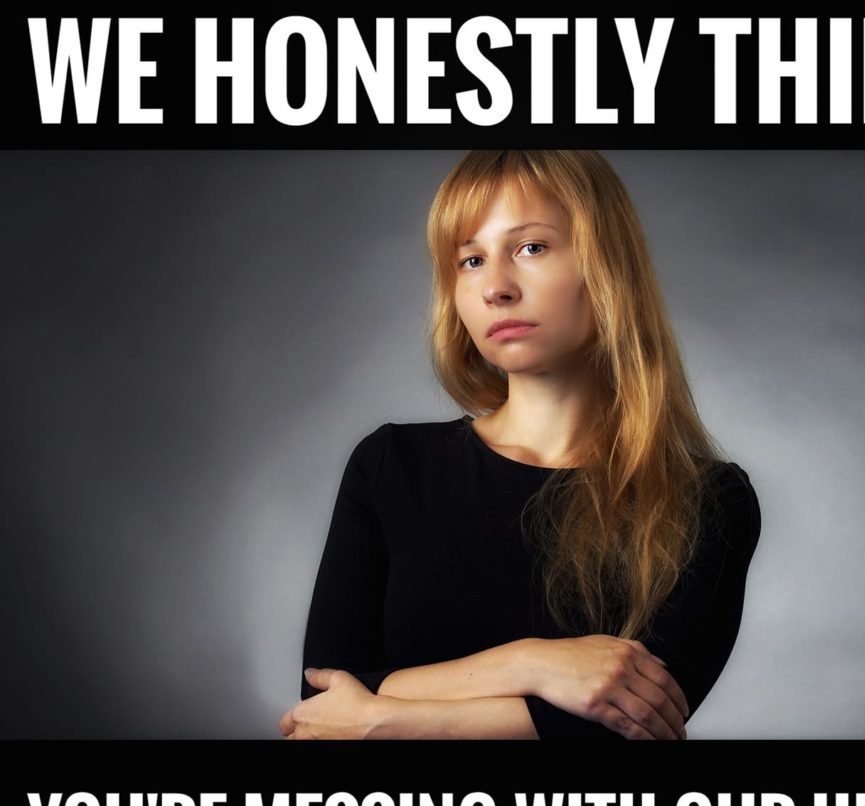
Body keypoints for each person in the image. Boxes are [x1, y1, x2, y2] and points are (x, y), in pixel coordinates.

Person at [278, 150, 761, 741]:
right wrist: (535, 662)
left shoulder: (708, 499)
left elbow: (627, 725)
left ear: (608, 264)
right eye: (471, 260)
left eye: (531, 248)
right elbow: (323, 697)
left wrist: (386, 718)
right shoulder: (390, 467)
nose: (495, 288)